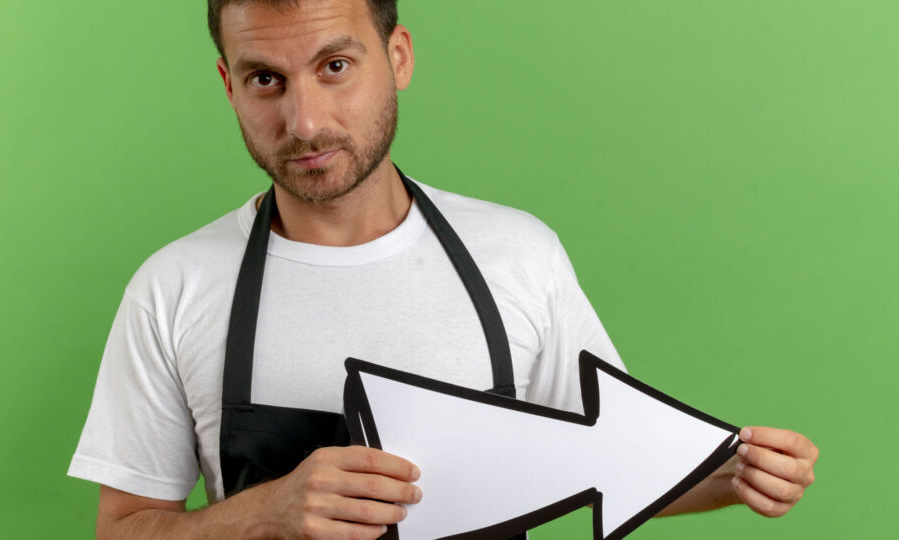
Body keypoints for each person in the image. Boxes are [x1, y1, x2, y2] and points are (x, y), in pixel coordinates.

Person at [67, 1, 820, 538]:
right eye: (267, 79)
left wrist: (731, 474)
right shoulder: (174, 287)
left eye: (335, 65)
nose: (304, 122)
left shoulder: (517, 256)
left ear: (397, 59)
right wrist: (265, 515)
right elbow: (124, 531)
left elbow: (604, 461)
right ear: (229, 84)